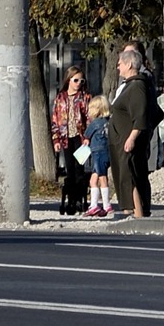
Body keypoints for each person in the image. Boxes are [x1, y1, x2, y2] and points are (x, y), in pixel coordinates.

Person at [108, 48, 156, 218]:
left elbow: (140, 114)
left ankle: (138, 213)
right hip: (121, 139)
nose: (118, 67)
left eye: (120, 64)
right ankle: (132, 211)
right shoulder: (129, 85)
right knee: (127, 175)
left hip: (128, 139)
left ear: (129, 64)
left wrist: (132, 137)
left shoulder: (137, 86)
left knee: (131, 175)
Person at [51, 66, 91, 216]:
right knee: (70, 170)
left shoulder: (85, 97)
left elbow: (89, 117)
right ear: (69, 80)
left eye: (81, 80)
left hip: (81, 138)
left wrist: (88, 137)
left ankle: (81, 200)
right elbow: (55, 120)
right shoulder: (60, 98)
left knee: (79, 168)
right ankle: (71, 200)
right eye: (75, 80)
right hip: (66, 138)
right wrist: (56, 139)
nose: (78, 83)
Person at [83, 94, 113, 217]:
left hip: (98, 152)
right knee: (93, 180)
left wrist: (86, 141)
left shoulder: (95, 123)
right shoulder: (109, 122)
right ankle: (94, 205)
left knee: (102, 177)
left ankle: (106, 205)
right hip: (106, 151)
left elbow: (87, 135)